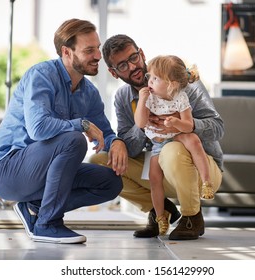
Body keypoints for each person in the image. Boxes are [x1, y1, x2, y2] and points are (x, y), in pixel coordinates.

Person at [0, 19, 124, 244]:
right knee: (74, 140)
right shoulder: (41, 75)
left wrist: (116, 141)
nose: (98, 55)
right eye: (89, 50)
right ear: (66, 52)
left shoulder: (89, 92)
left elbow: (105, 132)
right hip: (7, 170)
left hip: (43, 173)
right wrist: (81, 124)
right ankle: (46, 224)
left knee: (111, 183)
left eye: (97, 48)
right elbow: (38, 128)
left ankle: (36, 207)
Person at [89, 34, 224, 240]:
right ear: (113, 73)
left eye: (133, 58)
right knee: (100, 162)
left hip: (200, 165)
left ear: (141, 54)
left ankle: (192, 216)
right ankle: (160, 211)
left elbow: (218, 128)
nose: (133, 67)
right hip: (159, 165)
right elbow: (131, 150)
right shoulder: (123, 98)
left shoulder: (180, 81)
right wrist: (142, 124)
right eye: (122, 66)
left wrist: (183, 124)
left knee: (172, 149)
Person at [134, 55, 214, 235]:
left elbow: (188, 125)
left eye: (155, 78)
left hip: (177, 137)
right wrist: (141, 101)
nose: (150, 81)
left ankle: (206, 182)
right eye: (150, 77)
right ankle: (161, 216)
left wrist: (175, 123)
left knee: (193, 140)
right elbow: (140, 123)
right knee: (154, 179)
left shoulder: (181, 97)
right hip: (157, 144)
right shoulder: (149, 97)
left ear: (171, 84)